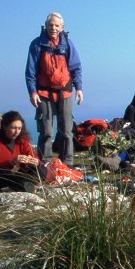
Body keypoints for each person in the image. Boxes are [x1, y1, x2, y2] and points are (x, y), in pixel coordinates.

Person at [25, 12, 83, 167]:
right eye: (51, 25)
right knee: (46, 131)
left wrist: (79, 88)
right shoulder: (37, 44)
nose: (54, 28)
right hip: (43, 93)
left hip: (65, 92)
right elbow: (30, 71)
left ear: (62, 27)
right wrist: (32, 92)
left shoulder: (68, 44)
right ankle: (45, 164)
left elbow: (76, 67)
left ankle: (67, 164)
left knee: (67, 131)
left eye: (57, 25)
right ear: (46, 25)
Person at [0, 111, 42, 197]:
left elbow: (31, 154)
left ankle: (25, 184)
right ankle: (24, 185)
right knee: (11, 178)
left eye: (19, 128)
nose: (16, 131)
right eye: (13, 128)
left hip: (17, 172)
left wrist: (35, 161)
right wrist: (11, 161)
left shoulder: (23, 140)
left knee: (42, 169)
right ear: (4, 127)